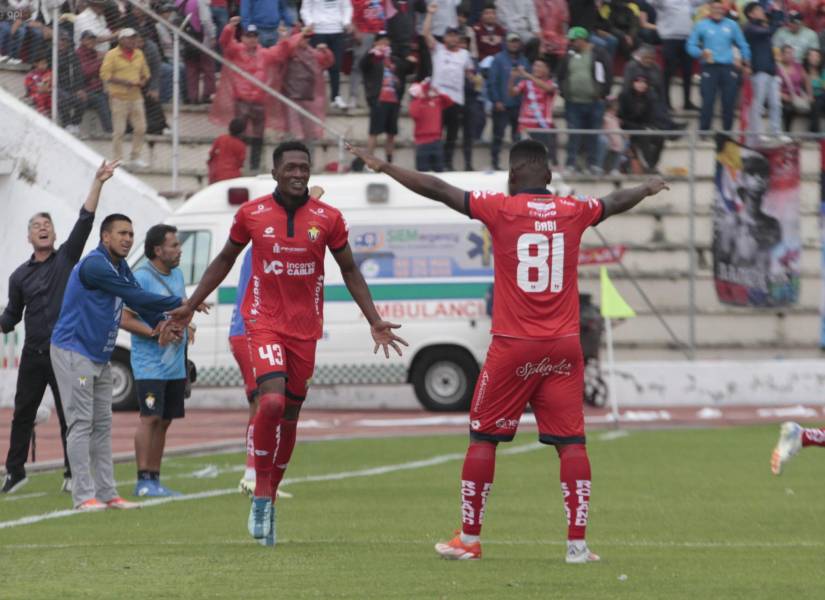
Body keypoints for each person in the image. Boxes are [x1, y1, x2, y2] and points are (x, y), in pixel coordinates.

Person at [347, 138, 669, 564]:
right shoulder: (573, 210)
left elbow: (438, 189)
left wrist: (385, 166)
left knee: (484, 437)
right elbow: (614, 201)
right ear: (549, 177)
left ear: (513, 176)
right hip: (563, 346)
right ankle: (577, 546)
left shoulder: (500, 208)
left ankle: (469, 538)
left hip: (515, 346)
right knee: (572, 443)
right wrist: (646, 188)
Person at [166, 141, 408, 546]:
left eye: (304, 167)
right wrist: (190, 304)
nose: (298, 174)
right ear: (276, 172)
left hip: (305, 328)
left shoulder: (328, 218)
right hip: (262, 322)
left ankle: (271, 493)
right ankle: (261, 493)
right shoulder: (252, 214)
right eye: (291, 167)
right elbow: (225, 259)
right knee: (271, 402)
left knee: (290, 416)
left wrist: (374, 319)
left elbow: (349, 269)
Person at [50, 213, 189, 511]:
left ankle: (108, 493)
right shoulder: (95, 265)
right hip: (74, 351)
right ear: (105, 237)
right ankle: (82, 495)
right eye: (122, 233)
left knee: (102, 423)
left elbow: (137, 302)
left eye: (130, 233)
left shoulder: (120, 265)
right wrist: (178, 305)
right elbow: (132, 293)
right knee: (81, 422)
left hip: (99, 354)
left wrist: (160, 324)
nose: (128, 239)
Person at [0, 161, 118, 495]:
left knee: (73, 414)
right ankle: (15, 473)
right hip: (34, 354)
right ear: (28, 235)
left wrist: (98, 182)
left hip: (67, 353)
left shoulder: (67, 259)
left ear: (53, 233)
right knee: (22, 413)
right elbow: (10, 319)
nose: (42, 228)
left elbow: (85, 219)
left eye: (47, 224)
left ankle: (72, 473)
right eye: (36, 225)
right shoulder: (18, 276)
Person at [235, 183, 325, 495]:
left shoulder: (281, 239)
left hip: (286, 329)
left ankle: (262, 476)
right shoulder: (261, 245)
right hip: (251, 330)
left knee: (280, 407)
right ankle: (252, 473)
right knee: (265, 401)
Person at [118, 225, 192, 497]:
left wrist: (185, 325)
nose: (179, 249)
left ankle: (155, 478)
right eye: (174, 245)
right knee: (150, 418)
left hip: (173, 363)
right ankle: (142, 480)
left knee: (165, 420)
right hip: (150, 363)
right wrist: (156, 331)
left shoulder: (179, 274)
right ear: (158, 250)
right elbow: (125, 318)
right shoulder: (141, 278)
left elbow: (182, 309)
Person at [423, 4, 474, 171]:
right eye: (449, 36)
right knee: (435, 133)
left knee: (452, 134)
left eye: (455, 36)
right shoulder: (437, 49)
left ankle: (447, 163)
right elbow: (425, 33)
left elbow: (470, 73)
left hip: (456, 100)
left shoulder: (465, 55)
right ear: (444, 38)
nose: (452, 39)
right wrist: (430, 14)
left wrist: (475, 79)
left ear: (459, 39)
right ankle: (434, 164)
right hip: (437, 99)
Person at [556, 26, 613, 175]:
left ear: (582, 39)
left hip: (594, 103)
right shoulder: (568, 55)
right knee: (573, 134)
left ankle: (593, 164)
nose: (571, 43)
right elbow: (561, 75)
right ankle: (571, 164)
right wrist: (564, 92)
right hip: (573, 102)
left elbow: (607, 74)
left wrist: (602, 93)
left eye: (574, 40)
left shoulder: (599, 53)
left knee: (593, 134)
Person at [686, 0, 751, 133]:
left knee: (729, 101)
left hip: (728, 67)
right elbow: (690, 45)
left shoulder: (732, 25)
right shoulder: (701, 25)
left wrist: (745, 60)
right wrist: (700, 53)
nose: (717, 11)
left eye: (720, 8)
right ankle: (704, 132)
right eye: (714, 8)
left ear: (724, 10)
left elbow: (743, 45)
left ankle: (727, 132)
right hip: (709, 67)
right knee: (708, 100)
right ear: (709, 9)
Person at [100, 28, 150, 167]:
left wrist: (142, 82)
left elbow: (145, 73)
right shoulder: (112, 55)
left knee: (141, 128)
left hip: (136, 96)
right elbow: (105, 74)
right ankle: (117, 158)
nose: (133, 41)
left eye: (134, 38)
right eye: (129, 38)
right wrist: (124, 82)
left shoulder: (139, 54)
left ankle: (135, 156)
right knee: (119, 130)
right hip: (118, 96)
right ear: (121, 40)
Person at [359, 31, 409, 165]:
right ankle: (368, 162)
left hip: (393, 100)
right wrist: (372, 53)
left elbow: (407, 68)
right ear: (375, 43)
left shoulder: (394, 59)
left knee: (391, 133)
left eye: (386, 41)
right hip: (378, 99)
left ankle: (389, 163)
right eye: (381, 41)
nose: (384, 43)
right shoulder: (372, 58)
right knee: (374, 132)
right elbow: (362, 66)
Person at [300, 0, 353, 109]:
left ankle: (335, 97)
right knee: (315, 66)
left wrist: (346, 22)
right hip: (318, 31)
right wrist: (309, 22)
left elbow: (347, 7)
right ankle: (312, 97)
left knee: (336, 66)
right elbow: (305, 8)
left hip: (337, 31)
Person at [488, 33, 529, 171]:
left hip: (518, 106)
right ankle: (494, 163)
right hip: (502, 106)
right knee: (498, 136)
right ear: (506, 43)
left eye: (516, 41)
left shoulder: (524, 61)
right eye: (511, 41)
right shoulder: (498, 59)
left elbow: (528, 83)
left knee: (517, 138)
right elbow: (492, 82)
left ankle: (517, 166)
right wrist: (496, 100)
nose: (514, 44)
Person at [744, 1, 781, 144]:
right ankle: (756, 134)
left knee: (776, 104)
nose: (762, 12)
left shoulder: (762, 26)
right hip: (759, 70)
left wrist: (777, 12)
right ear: (751, 14)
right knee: (758, 104)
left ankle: (775, 132)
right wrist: (776, 17)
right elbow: (771, 30)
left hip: (771, 70)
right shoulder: (750, 28)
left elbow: (775, 23)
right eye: (759, 10)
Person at [653, 0, 700, 111]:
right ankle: (665, 101)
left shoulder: (688, 1)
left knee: (688, 72)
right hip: (669, 39)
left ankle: (687, 102)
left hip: (686, 39)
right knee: (669, 71)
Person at [509, 59, 558, 166]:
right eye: (535, 66)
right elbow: (512, 93)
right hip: (525, 125)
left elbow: (548, 89)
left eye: (540, 66)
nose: (536, 69)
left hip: (543, 125)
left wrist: (527, 75)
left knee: (546, 157)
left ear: (547, 69)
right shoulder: (525, 83)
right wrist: (512, 78)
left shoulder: (552, 83)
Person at [618, 74, 665, 173]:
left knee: (660, 137)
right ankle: (648, 165)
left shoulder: (649, 98)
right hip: (627, 127)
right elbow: (621, 118)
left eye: (644, 82)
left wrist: (648, 127)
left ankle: (652, 165)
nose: (641, 85)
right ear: (633, 83)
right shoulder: (624, 96)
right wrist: (637, 127)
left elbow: (651, 117)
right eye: (638, 82)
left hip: (643, 127)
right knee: (644, 137)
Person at [349, 0, 388, 108]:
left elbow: (385, 13)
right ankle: (353, 96)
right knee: (358, 65)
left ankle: (379, 97)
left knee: (380, 67)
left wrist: (385, 34)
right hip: (363, 33)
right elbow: (350, 13)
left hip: (380, 34)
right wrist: (356, 31)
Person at [408, 78, 453, 171]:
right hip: (422, 142)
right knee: (422, 172)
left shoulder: (437, 101)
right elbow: (414, 114)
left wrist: (437, 92)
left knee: (439, 170)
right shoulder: (416, 103)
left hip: (436, 141)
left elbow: (449, 102)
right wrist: (422, 96)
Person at [76, 31, 113, 134]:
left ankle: (124, 130)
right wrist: (99, 62)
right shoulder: (78, 53)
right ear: (82, 41)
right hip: (84, 91)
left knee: (116, 97)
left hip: (97, 89)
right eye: (88, 39)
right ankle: (110, 131)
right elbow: (85, 72)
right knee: (101, 100)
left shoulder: (94, 53)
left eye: (93, 39)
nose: (91, 41)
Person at [777, 44, 810, 133]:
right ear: (782, 55)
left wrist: (809, 95)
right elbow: (773, 86)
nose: (790, 55)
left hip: (797, 97)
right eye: (787, 53)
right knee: (788, 109)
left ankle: (812, 135)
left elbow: (807, 80)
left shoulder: (798, 66)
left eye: (791, 53)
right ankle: (787, 133)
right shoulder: (777, 68)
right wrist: (782, 95)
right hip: (783, 97)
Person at [208, 118, 248, 183]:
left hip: (217, 174)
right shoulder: (241, 145)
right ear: (242, 132)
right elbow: (240, 163)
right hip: (233, 175)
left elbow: (211, 153)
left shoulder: (221, 139)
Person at [24, 52, 51, 116]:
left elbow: (51, 85)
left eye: (45, 63)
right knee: (39, 97)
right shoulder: (30, 75)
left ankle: (50, 113)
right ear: (36, 64)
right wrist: (40, 89)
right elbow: (30, 87)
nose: (44, 65)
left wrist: (47, 89)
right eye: (42, 63)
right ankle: (41, 114)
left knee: (52, 98)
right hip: (35, 94)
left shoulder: (50, 73)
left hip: (49, 92)